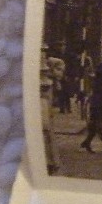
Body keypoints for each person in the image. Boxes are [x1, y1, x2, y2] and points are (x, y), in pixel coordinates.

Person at [39, 44, 61, 173]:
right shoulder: (47, 79)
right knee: (46, 131)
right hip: (45, 102)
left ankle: (49, 161)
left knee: (45, 129)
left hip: (44, 104)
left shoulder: (47, 79)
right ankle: (50, 161)